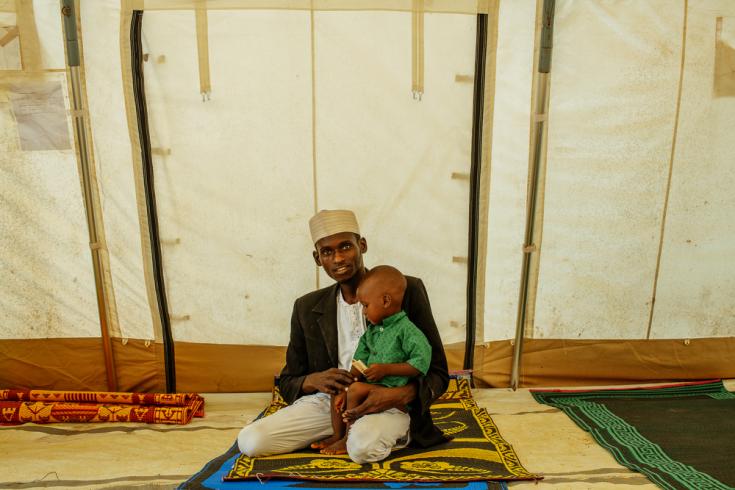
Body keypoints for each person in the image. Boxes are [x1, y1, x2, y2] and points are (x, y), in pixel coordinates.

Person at [237, 209, 449, 464]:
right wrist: (315, 380)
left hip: (390, 403)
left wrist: (401, 394)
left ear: (362, 245)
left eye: (346, 246)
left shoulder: (404, 288)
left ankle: (373, 433)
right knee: (252, 441)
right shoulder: (306, 307)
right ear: (317, 259)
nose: (338, 258)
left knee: (362, 448)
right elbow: (288, 381)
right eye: (327, 252)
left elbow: (437, 370)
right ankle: (342, 431)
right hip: (330, 405)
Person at [310, 265, 432, 456]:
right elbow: (360, 358)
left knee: (357, 390)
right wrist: (349, 379)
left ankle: (347, 438)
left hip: (391, 391)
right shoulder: (373, 332)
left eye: (365, 306)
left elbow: (420, 362)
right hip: (372, 385)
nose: (364, 312)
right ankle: (337, 434)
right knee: (339, 388)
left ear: (385, 301)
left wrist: (387, 370)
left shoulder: (408, 331)